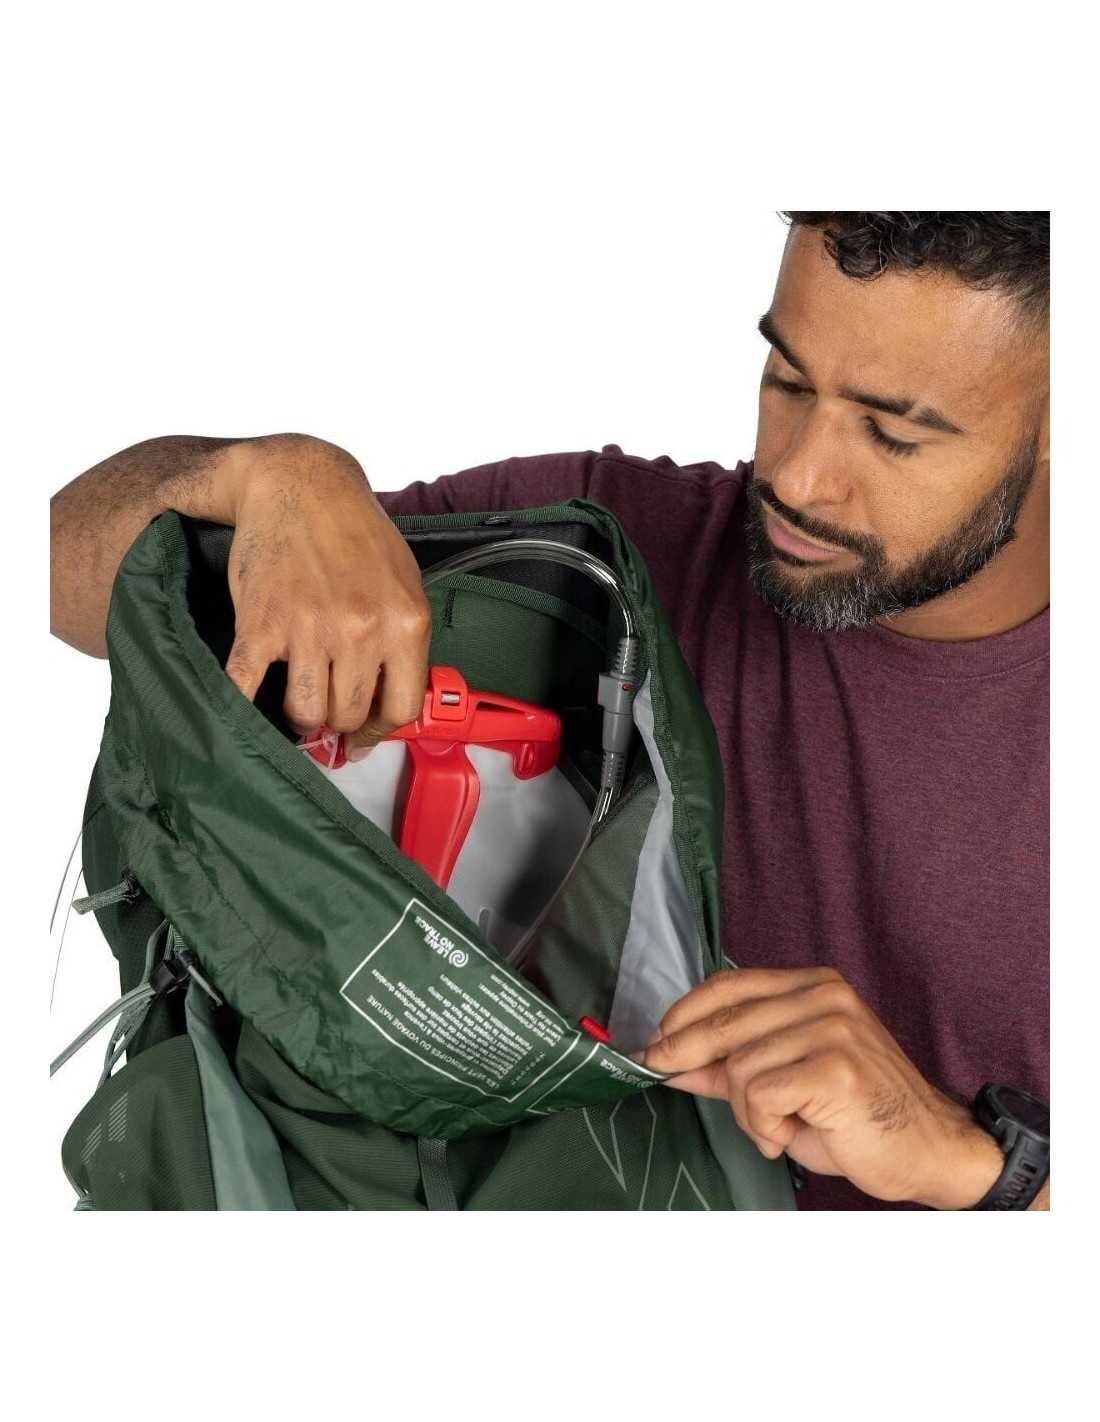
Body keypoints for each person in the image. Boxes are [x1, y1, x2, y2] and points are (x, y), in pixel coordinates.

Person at [50, 211, 1050, 1210]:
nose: (794, 476)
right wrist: (269, 476)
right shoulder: (593, 572)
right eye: (787, 380)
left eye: (892, 432)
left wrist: (973, 1164)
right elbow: (65, 581)